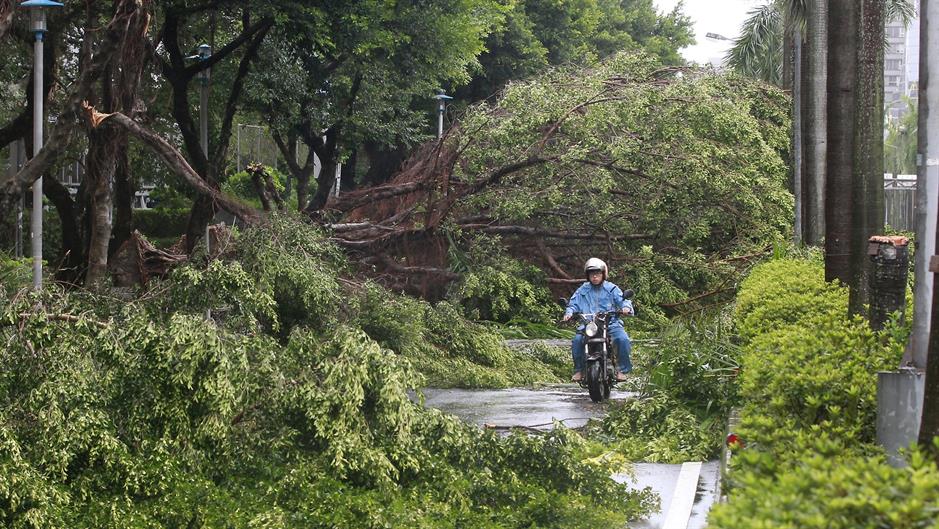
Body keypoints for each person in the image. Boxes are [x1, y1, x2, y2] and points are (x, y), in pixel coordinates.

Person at [562, 258, 633, 382]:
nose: (594, 276)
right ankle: (579, 370)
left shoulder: (611, 288)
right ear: (587, 275)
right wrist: (569, 313)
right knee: (577, 341)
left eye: (598, 273)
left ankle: (622, 370)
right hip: (589, 325)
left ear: (603, 274)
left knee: (623, 339)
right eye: (591, 274)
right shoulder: (582, 290)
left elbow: (623, 300)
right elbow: (573, 304)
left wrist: (626, 308)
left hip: (610, 324)